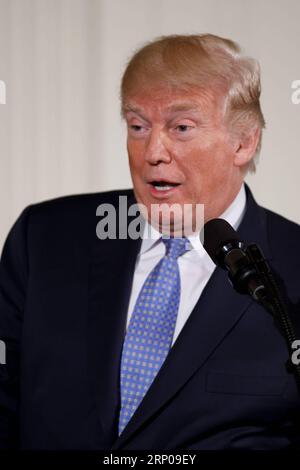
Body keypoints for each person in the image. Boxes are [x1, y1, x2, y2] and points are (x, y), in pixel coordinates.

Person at [0, 33, 300, 450]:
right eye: (138, 126)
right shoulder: (45, 238)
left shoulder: (293, 267)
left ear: (243, 141)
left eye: (181, 127)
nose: (153, 151)